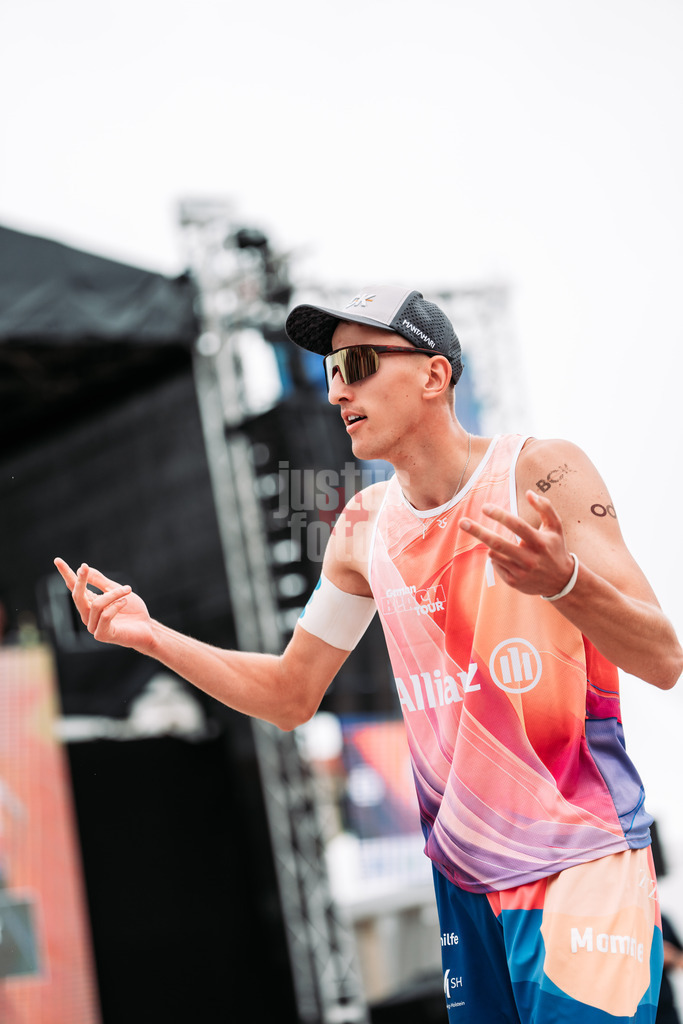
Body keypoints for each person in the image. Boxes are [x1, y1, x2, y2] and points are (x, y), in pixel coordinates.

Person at [55, 285, 683, 1024]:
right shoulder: (362, 525)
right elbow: (291, 695)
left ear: (433, 373)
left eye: (355, 363)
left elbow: (662, 657)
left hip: (579, 861)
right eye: (328, 372)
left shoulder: (538, 472)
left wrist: (564, 582)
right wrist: (149, 635)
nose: (335, 390)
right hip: (464, 880)